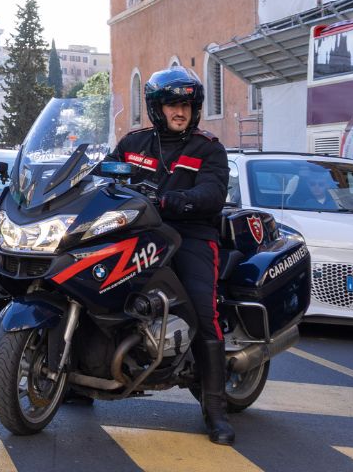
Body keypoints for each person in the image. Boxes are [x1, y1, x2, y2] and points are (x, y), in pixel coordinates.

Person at [104, 66, 234, 445]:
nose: (181, 112)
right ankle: (81, 376)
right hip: (137, 230)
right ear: (157, 108)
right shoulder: (135, 143)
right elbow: (106, 175)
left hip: (189, 233)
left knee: (202, 310)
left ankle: (215, 410)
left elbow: (213, 192)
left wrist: (183, 199)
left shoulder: (208, 147)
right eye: (173, 104)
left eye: (187, 105)